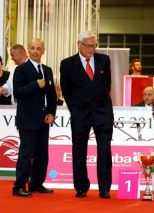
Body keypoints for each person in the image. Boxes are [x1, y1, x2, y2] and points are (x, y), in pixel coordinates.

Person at [60, 31, 114, 199]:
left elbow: (108, 85)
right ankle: (81, 187)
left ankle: (104, 188)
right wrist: (76, 109)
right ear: (79, 44)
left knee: (104, 151)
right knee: (78, 150)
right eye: (88, 45)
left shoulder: (104, 60)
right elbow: (66, 90)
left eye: (94, 45)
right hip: (80, 114)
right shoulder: (67, 64)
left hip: (103, 113)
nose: (91, 49)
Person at [12, 38, 57, 197]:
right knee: (26, 154)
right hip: (27, 119)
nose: (36, 51)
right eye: (32, 48)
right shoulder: (21, 70)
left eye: (39, 48)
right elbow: (18, 93)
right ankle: (18, 187)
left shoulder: (48, 70)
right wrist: (35, 85)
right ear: (28, 50)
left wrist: (52, 113)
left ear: (43, 51)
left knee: (42, 154)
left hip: (44, 119)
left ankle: (36, 184)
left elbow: (52, 96)